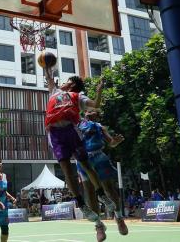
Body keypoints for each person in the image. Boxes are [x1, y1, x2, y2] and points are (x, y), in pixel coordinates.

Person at [43, 67, 108, 222]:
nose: (64, 82)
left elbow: (95, 104)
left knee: (85, 164)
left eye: (67, 81)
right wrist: (46, 66)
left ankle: (101, 195)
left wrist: (99, 92)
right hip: (55, 133)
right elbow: (48, 76)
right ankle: (81, 203)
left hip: (71, 130)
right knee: (66, 170)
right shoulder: (54, 92)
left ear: (71, 86)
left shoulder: (78, 96)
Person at [75, 108, 129, 241]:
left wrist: (115, 142)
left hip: (99, 157)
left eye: (94, 111)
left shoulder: (100, 127)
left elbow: (111, 143)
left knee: (109, 189)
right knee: (90, 193)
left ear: (97, 116)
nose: (89, 112)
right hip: (83, 160)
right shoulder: (77, 125)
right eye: (88, 110)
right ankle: (99, 225)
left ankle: (119, 217)